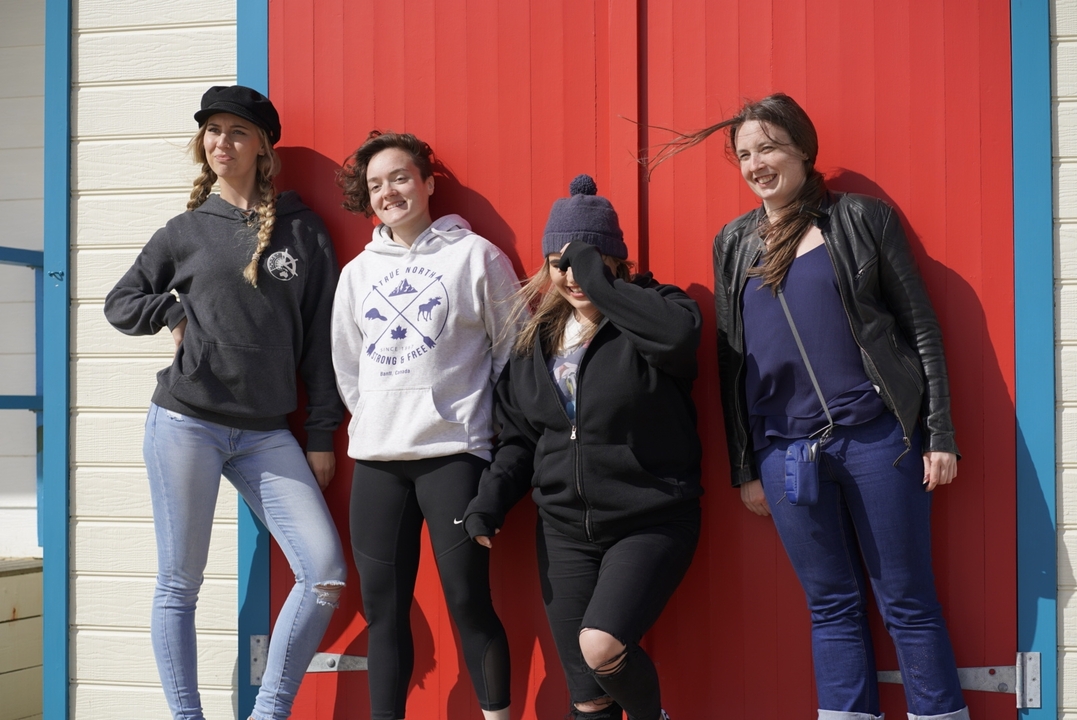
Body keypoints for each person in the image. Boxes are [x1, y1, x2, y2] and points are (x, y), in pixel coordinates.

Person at [651, 93, 967, 720]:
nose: (755, 163)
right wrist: (746, 464)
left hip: (879, 438)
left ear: (802, 148)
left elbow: (920, 328)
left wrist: (940, 432)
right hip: (786, 453)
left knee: (905, 599)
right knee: (831, 605)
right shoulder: (734, 243)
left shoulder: (860, 219)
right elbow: (732, 361)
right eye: (743, 154)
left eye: (767, 147)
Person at [104, 85, 347, 720]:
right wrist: (171, 312)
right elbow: (119, 303)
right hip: (186, 422)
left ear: (263, 146)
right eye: (212, 131)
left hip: (267, 433)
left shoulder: (304, 233)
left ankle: (269, 713)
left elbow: (320, 344)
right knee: (179, 584)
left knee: (323, 572)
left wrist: (320, 433)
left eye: (236, 132)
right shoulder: (183, 232)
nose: (221, 143)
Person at [463, 175, 703, 720]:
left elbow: (679, 340)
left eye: (584, 260)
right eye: (558, 263)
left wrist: (599, 280)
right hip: (566, 532)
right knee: (589, 698)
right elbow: (522, 438)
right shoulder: (533, 342)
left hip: (650, 519)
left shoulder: (660, 310)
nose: (570, 276)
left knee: (601, 647)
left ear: (613, 260)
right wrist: (489, 503)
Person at [331, 130, 517, 720]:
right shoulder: (357, 274)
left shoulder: (477, 256)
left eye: (401, 177)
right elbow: (347, 367)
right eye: (376, 184)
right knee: (383, 610)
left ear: (428, 183)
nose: (390, 192)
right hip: (379, 461)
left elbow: (511, 352)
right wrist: (383, 417)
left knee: (468, 601)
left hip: (454, 455)